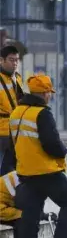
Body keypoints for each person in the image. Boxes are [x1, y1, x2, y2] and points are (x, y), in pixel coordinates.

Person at [11, 74, 67, 238]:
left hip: (25, 172)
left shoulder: (16, 112)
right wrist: (63, 151)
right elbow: (52, 144)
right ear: (44, 93)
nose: (50, 96)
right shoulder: (42, 113)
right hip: (46, 171)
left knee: (30, 215)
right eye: (49, 92)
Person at [0, 44, 25, 175]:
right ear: (1, 60)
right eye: (11, 60)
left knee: (12, 170)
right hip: (2, 131)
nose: (15, 63)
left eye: (17, 60)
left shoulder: (18, 78)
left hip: (16, 131)